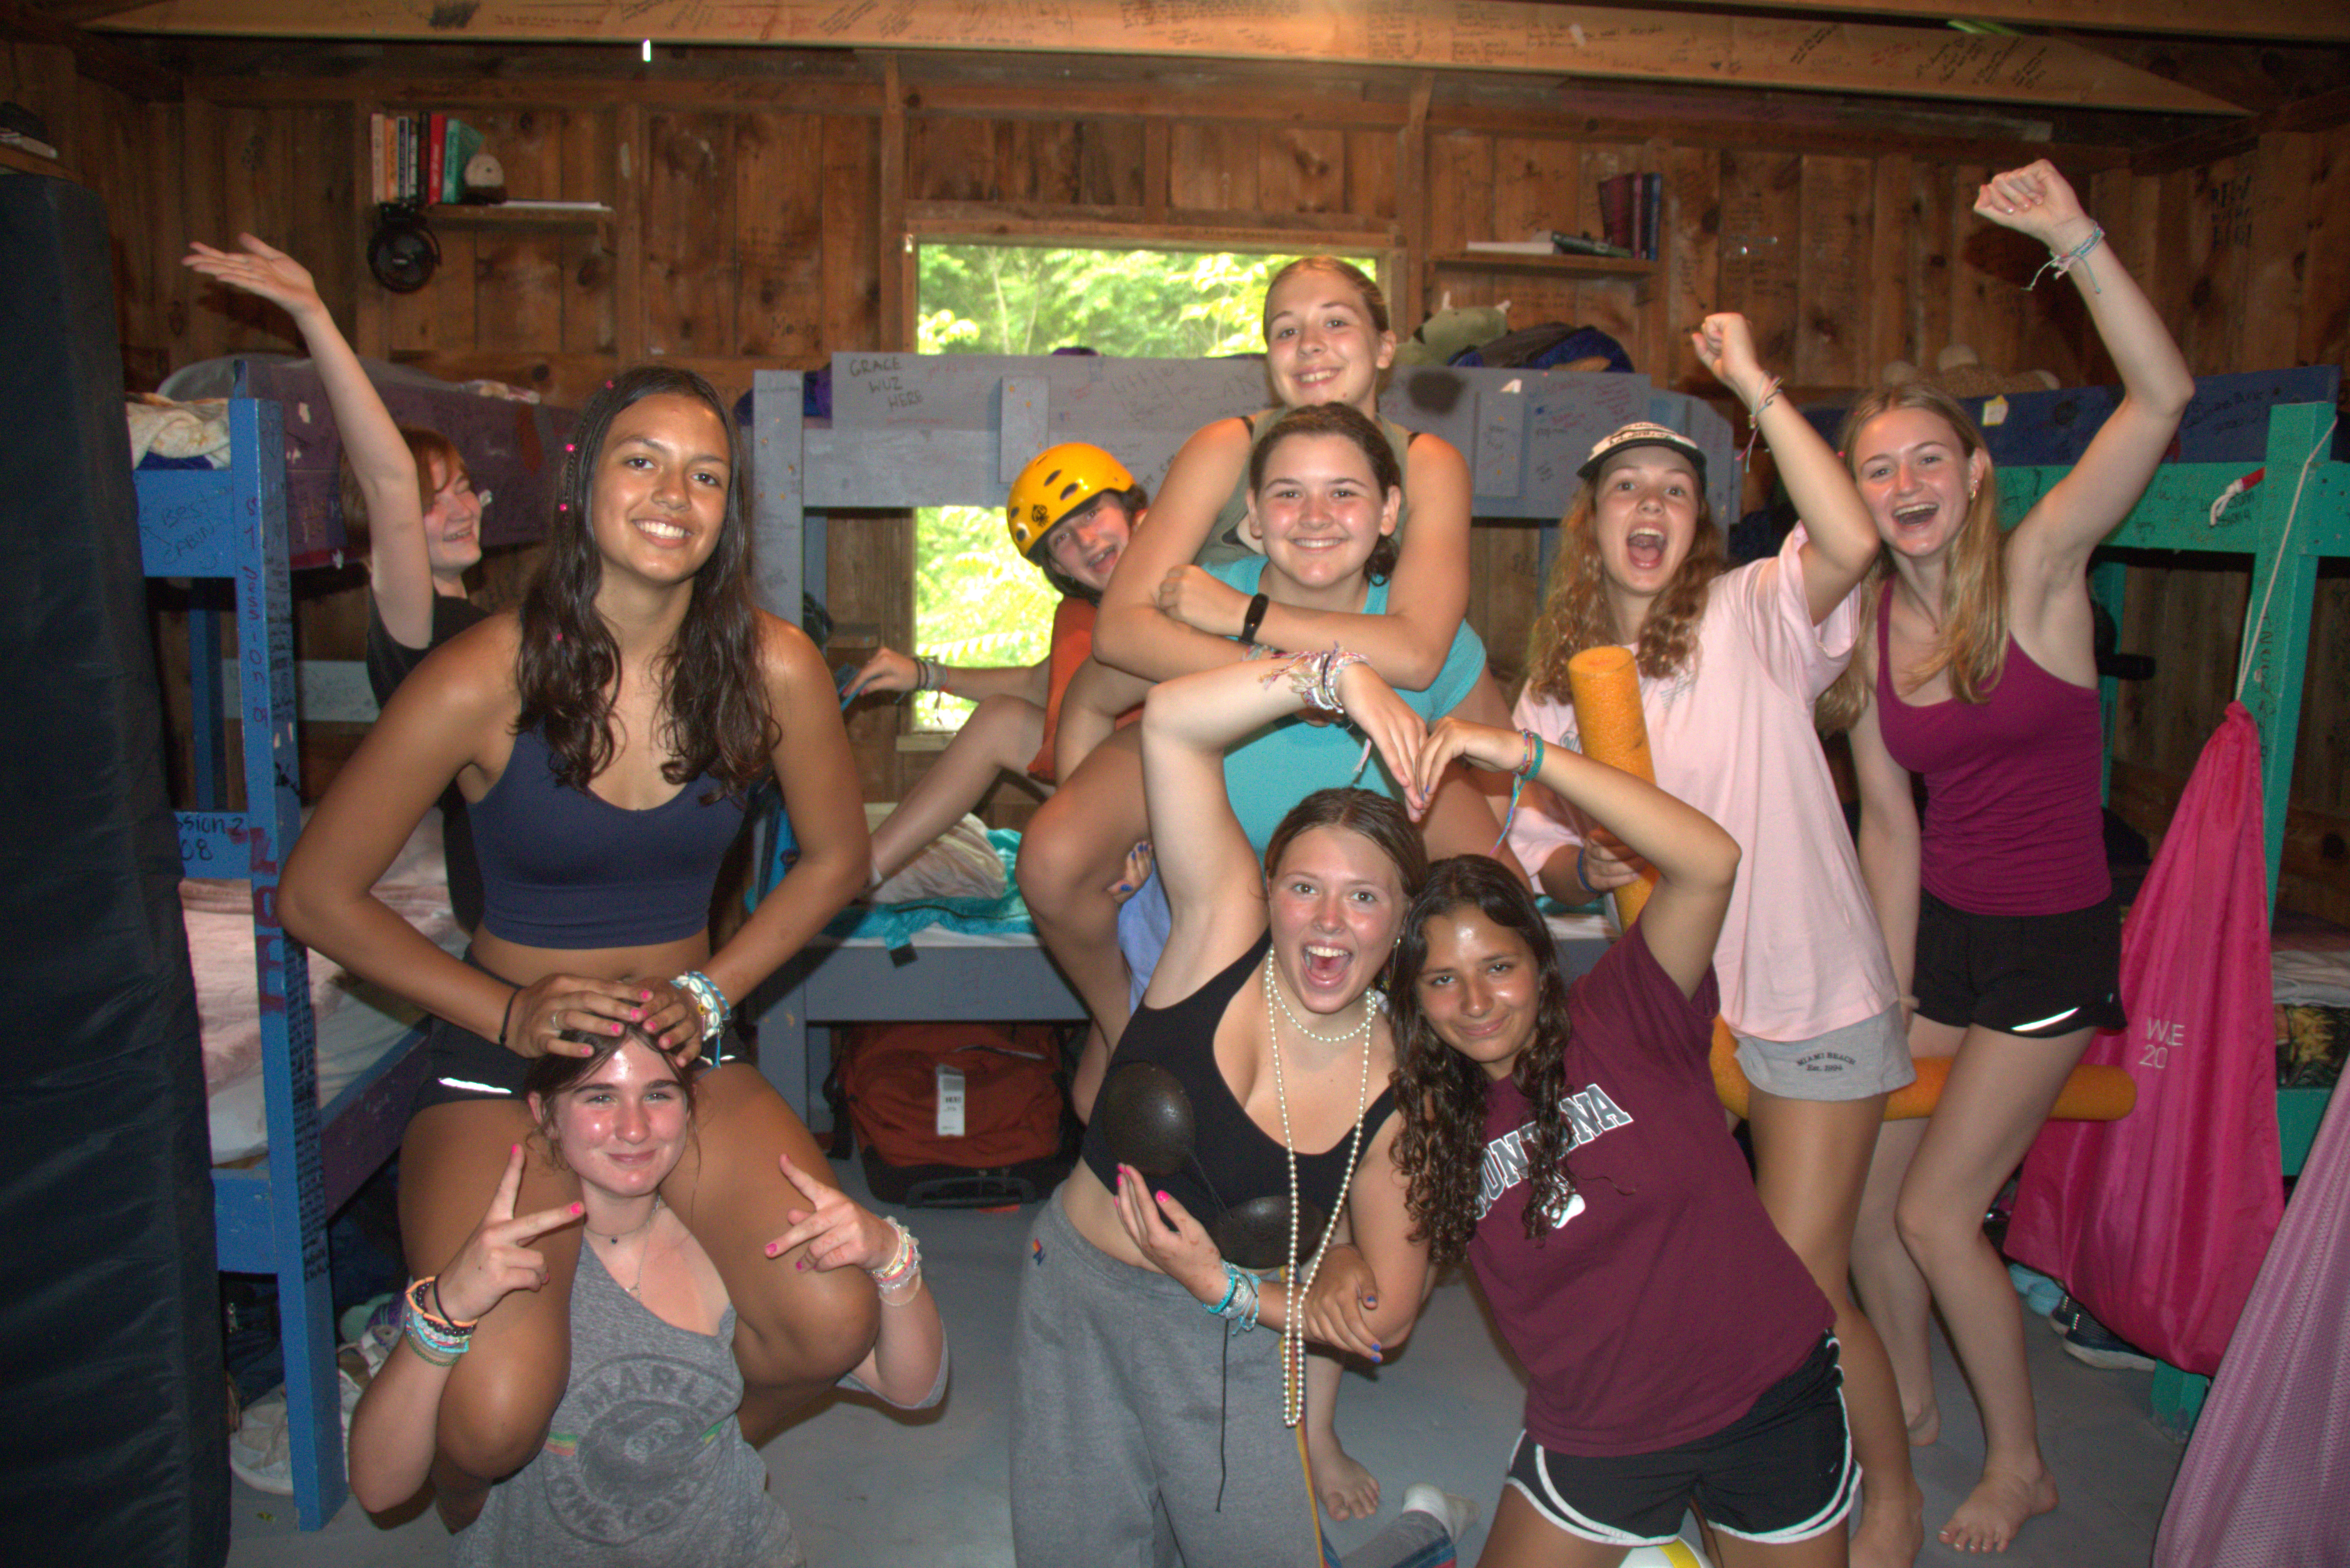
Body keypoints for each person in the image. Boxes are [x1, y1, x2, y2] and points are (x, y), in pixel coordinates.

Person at [280, 364, 879, 1531]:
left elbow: (836, 862)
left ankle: (657, 1466)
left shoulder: (772, 667)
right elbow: (316, 894)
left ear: (727, 511)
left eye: (706, 473)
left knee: (832, 1320)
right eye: (640, 460)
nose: (675, 492)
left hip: (679, 1049)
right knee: (496, 1411)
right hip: (507, 1062)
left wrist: (714, 992)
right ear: (582, 486)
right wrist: (504, 1011)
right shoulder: (481, 674)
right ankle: (486, 1511)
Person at [1820, 161, 2194, 1554]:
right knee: (1857, 1194)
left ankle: (2023, 1460)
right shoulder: (1861, 634)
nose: (1905, 482)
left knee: (1929, 1211)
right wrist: (1873, 976)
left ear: (1970, 475)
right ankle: (1912, 1398)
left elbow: (2156, 400)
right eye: (1877, 466)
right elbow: (1886, 821)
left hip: (2045, 937)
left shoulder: (2036, 568)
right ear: (1854, 493)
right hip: (1945, 936)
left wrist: (2077, 244)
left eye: (1928, 458)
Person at [1508, 318, 1918, 1564]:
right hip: (1667, 1027)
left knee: (1801, 1284)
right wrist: (1589, 862)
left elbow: (1851, 535)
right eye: (1627, 486)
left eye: (1678, 489)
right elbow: (1538, 849)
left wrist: (1751, 381)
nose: (1652, 504)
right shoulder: (1556, 689)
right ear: (1591, 518)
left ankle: (1882, 1498)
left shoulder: (1755, 612)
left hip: (1803, 996)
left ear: (1702, 519)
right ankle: (1712, 1480)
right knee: (1696, 1276)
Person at [1012, 651, 1473, 1568]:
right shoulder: (1219, 927)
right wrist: (1340, 679)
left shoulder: (1402, 1085)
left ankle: (1423, 1532)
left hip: (1228, 1338)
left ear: (1401, 918)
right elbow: (1175, 715)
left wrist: (1221, 1286)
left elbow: (1383, 1319)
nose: (1328, 921)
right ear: (1267, 892)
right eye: (1304, 888)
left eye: (1363, 896)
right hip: (1074, 1305)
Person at [1386, 717, 1856, 1567]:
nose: (1477, 1002)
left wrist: (1525, 756)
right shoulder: (1427, 1114)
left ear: (1539, 962)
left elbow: (1711, 861)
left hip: (1765, 1394)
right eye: (1443, 981)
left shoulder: (1627, 1015)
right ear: (1419, 1002)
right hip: (1599, 1432)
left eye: (1498, 966)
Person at [346, 1024, 945, 1561]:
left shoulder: (728, 1247)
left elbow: (914, 1387)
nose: (633, 1128)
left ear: (690, 1108)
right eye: (599, 1096)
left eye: (658, 1095)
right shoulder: (499, 1270)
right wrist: (442, 1313)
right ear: (544, 1112)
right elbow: (379, 1488)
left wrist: (890, 1257)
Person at [183, 233, 494, 929]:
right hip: (499, 891)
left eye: (465, 488)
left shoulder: (480, 621)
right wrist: (313, 315)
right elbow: (385, 478)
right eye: (431, 500)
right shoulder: (412, 630)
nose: (460, 510)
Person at [841, 442, 1147, 890]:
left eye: (1091, 513)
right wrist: (924, 675)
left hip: (1172, 798)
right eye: (1061, 538)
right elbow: (1039, 682)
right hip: (1104, 795)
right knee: (1001, 719)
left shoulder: (1182, 583)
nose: (1086, 540)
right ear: (1055, 567)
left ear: (1130, 511)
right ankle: (858, 875)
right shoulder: (1085, 613)